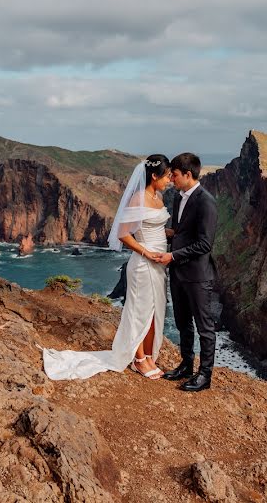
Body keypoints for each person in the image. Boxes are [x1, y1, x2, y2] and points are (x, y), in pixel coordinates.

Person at [42, 154, 172, 380]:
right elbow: (123, 234)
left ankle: (149, 355)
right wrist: (146, 252)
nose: (169, 180)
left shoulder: (157, 196)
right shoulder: (138, 198)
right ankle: (139, 359)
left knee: (153, 313)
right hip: (143, 264)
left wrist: (175, 234)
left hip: (159, 265)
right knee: (138, 312)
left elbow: (156, 227)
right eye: (167, 176)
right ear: (154, 176)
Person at [157, 152, 219, 392]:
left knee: (205, 327)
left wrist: (172, 255)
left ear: (188, 174)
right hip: (178, 274)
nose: (171, 179)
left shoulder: (206, 201)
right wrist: (168, 234)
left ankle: (205, 376)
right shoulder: (177, 198)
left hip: (198, 275)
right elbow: (182, 231)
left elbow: (205, 244)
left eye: (174, 175)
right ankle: (186, 365)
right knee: (183, 322)